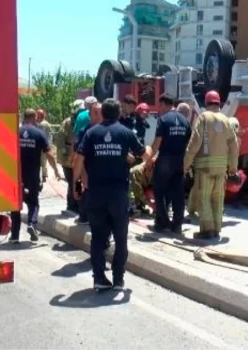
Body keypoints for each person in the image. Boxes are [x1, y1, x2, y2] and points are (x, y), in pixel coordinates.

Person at [73, 98, 152, 291]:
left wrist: (75, 185)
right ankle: (118, 279)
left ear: (103, 113)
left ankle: (99, 278)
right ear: (117, 113)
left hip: (96, 193)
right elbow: (145, 155)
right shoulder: (125, 133)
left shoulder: (91, 133)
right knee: (120, 237)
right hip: (118, 194)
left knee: (98, 238)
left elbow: (78, 160)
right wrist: (148, 155)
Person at [183, 91, 239, 239]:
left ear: (206, 103)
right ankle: (217, 228)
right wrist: (233, 168)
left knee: (204, 198)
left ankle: (207, 230)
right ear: (219, 103)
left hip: (204, 168)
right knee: (217, 198)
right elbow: (234, 146)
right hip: (222, 169)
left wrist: (185, 165)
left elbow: (194, 144)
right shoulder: (226, 120)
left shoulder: (203, 118)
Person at [10, 109, 62, 244]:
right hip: (32, 175)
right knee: (33, 202)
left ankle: (14, 235)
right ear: (34, 118)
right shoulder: (39, 133)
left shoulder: (16, 132)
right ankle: (32, 224)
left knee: (15, 205)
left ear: (24, 117)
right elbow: (49, 154)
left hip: (15, 174)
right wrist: (55, 170)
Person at [148, 93, 192, 234]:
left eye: (159, 105)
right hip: (179, 160)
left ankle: (163, 222)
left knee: (159, 191)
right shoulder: (185, 121)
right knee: (178, 193)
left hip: (165, 160)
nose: (159, 109)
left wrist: (149, 159)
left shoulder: (163, 120)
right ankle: (177, 225)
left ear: (164, 104)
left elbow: (157, 144)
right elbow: (188, 143)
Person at [73, 101, 103, 225]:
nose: (98, 115)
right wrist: (83, 173)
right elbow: (78, 157)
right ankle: (82, 215)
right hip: (84, 168)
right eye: (95, 113)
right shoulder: (84, 132)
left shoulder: (107, 130)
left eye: (100, 113)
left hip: (100, 172)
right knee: (81, 192)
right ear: (90, 115)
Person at [54, 99, 85, 214]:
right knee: (74, 182)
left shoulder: (83, 121)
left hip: (78, 158)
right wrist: (63, 150)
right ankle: (73, 206)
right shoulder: (68, 122)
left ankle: (75, 205)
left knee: (76, 182)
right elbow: (60, 138)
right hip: (68, 159)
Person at [37, 109, 53, 183]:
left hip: (42, 146)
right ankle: (44, 175)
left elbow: (41, 135)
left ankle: (43, 176)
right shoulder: (47, 123)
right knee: (44, 162)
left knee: (42, 161)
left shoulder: (42, 124)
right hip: (48, 145)